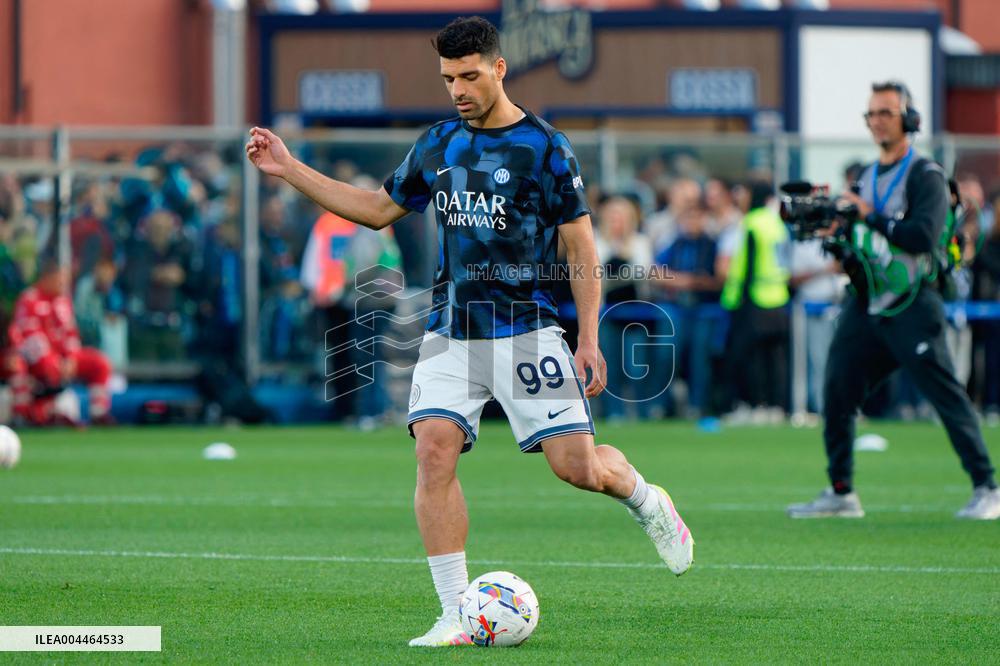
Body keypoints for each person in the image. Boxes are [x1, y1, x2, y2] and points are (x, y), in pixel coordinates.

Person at [245, 16, 694, 647]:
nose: (457, 88)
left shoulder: (544, 147)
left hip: (527, 332)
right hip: (449, 331)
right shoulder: (438, 144)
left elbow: (581, 248)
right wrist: (289, 168)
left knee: (579, 469)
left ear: (499, 68)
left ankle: (647, 500)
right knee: (433, 452)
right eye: (448, 77)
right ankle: (457, 613)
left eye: (468, 75)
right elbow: (377, 210)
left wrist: (588, 338)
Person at [787, 81, 999, 520]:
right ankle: (841, 491)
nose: (878, 121)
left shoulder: (926, 174)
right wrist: (837, 235)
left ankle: (988, 487)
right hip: (867, 301)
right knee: (838, 390)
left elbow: (922, 236)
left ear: (910, 119)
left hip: (912, 302)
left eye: (886, 112)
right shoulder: (866, 174)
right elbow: (862, 243)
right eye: (872, 114)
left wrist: (868, 215)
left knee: (945, 395)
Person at [7, 257, 114, 426]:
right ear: (48, 277)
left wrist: (71, 358)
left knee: (99, 363)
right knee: (17, 365)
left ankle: (99, 414)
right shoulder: (29, 299)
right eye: (60, 278)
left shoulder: (62, 301)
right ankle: (23, 415)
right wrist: (52, 361)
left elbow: (71, 333)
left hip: (63, 360)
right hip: (36, 361)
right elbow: (29, 337)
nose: (64, 283)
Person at [720, 181, 791, 422]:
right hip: (778, 296)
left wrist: (741, 297)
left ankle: (756, 405)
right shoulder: (776, 224)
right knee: (776, 357)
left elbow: (748, 262)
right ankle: (776, 406)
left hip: (755, 298)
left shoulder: (753, 222)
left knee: (753, 357)